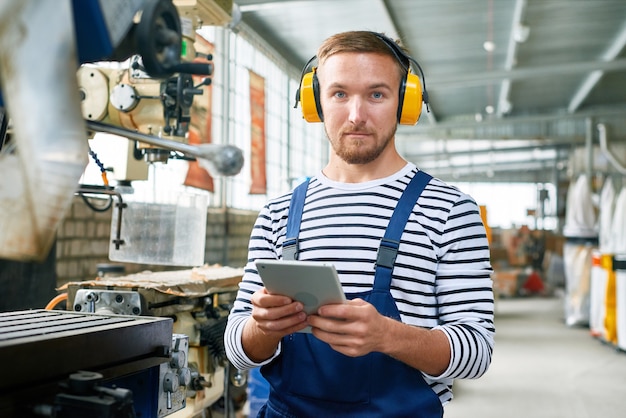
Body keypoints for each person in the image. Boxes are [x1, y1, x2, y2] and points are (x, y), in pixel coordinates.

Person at [224, 30, 494, 417]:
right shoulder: (277, 213)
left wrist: (388, 336)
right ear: (315, 101)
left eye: (376, 94)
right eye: (339, 94)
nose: (356, 115)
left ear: (405, 102)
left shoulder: (451, 210)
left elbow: (477, 352)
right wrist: (264, 327)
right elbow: (237, 349)